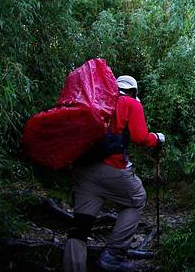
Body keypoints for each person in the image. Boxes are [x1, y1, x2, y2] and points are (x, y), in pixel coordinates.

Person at [63, 75, 165, 272]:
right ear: (133, 91)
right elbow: (140, 137)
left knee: (80, 227)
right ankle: (113, 255)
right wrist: (157, 138)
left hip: (83, 170)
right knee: (137, 199)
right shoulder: (130, 103)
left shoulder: (95, 99)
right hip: (112, 168)